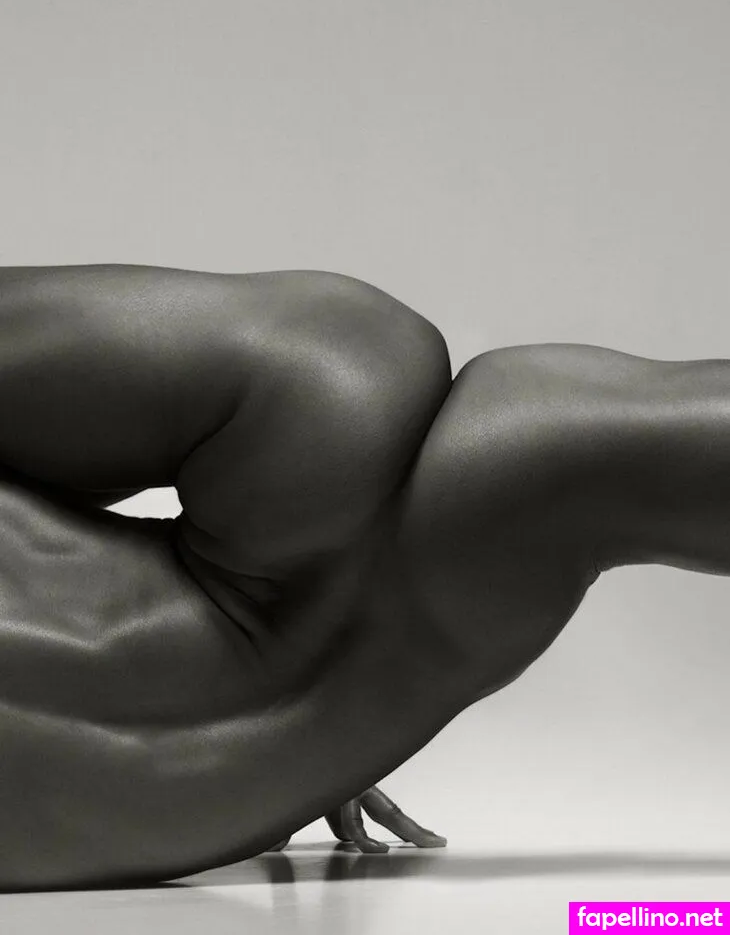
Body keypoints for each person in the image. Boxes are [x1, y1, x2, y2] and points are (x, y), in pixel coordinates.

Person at [0, 264, 724, 891]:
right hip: (297, 445)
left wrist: (311, 742)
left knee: (576, 476)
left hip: (263, 751)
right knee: (592, 461)